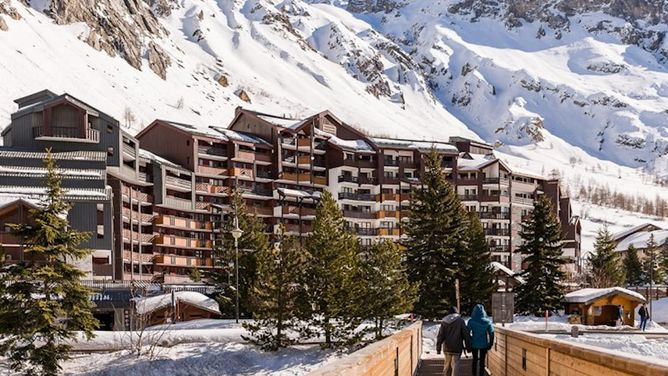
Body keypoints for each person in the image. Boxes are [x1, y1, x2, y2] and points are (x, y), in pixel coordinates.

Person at [436, 306, 471, 376]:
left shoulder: (444, 322)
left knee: (447, 366)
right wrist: (468, 348)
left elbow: (440, 336)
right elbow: (466, 335)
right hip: (457, 347)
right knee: (456, 366)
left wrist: (438, 348)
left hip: (447, 347)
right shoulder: (460, 321)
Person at [467, 304, 495, 376]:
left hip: (474, 343)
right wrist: (490, 344)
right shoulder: (487, 322)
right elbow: (491, 333)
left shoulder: (471, 321)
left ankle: (474, 374)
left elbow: (467, 333)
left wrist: (470, 339)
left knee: (474, 360)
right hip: (484, 344)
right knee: (482, 361)